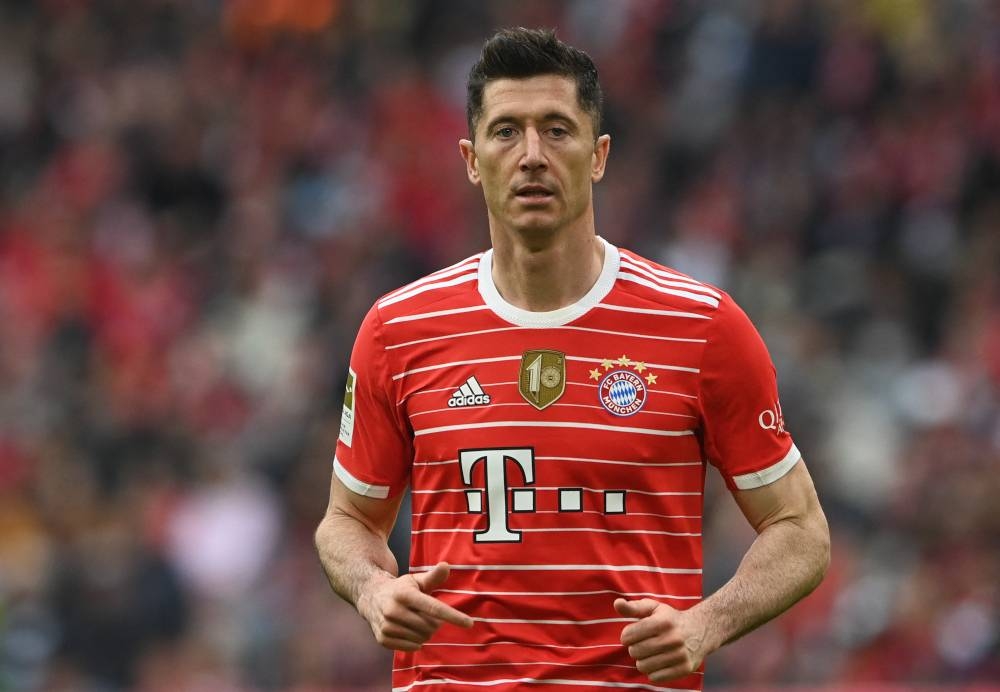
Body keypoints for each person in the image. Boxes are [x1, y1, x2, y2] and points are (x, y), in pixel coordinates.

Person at [315, 27, 830, 691]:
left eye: (557, 129)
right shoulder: (398, 329)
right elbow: (347, 521)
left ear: (599, 155)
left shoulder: (700, 326)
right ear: (472, 160)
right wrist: (372, 589)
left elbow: (801, 531)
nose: (532, 155)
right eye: (506, 132)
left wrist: (707, 624)